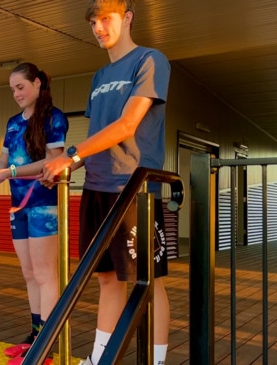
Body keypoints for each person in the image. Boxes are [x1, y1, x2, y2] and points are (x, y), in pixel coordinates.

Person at [40, 1, 171, 364]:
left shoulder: (151, 60)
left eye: (107, 19)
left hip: (133, 190)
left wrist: (71, 155)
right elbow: (99, 137)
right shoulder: (99, 77)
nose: (99, 28)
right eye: (94, 22)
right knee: (107, 279)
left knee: (150, 281)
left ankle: (157, 361)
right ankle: (99, 359)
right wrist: (65, 167)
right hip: (96, 188)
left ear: (127, 18)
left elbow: (128, 126)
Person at [0, 62, 67, 365]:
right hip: (17, 205)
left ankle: (48, 342)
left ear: (38, 85)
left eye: (21, 87)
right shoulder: (13, 122)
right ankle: (35, 335)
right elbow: (3, 158)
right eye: (12, 89)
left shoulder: (54, 118)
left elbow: (52, 161)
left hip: (44, 204)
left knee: (46, 274)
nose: (16, 93)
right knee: (29, 273)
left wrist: (9, 172)